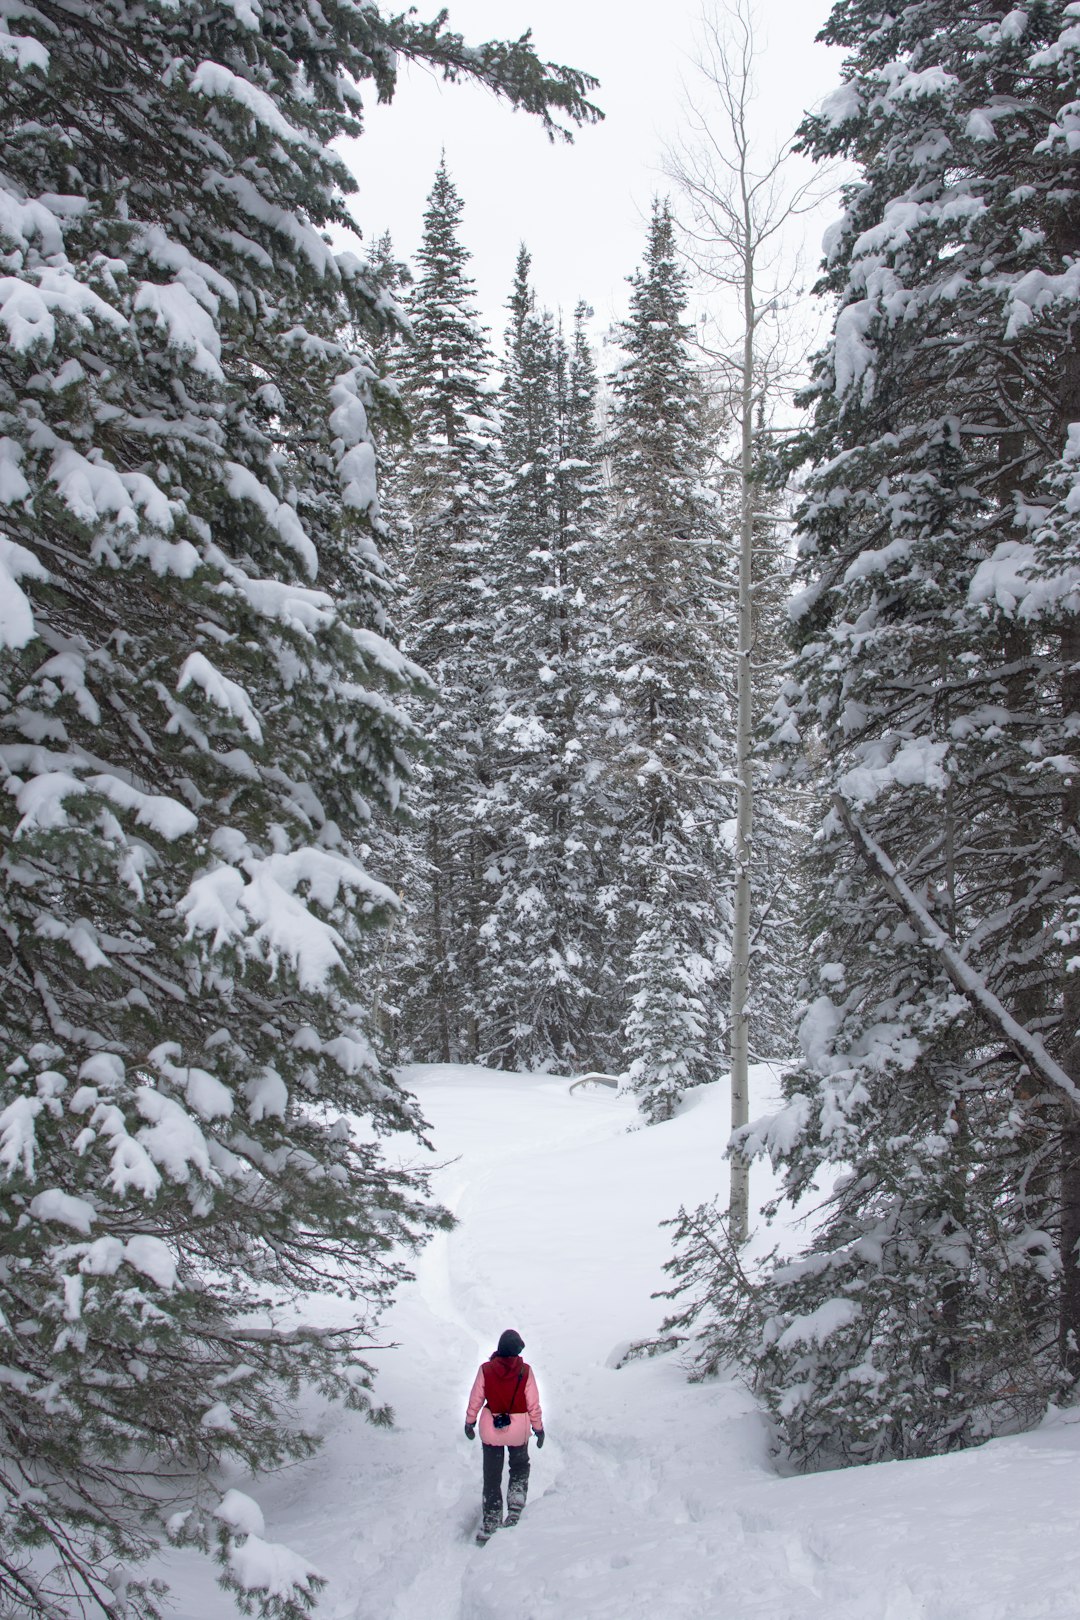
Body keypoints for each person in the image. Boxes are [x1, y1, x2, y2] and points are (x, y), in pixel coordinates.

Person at [464, 1328, 545, 1543]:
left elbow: (476, 1399)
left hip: (492, 1430)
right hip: (518, 1431)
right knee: (519, 1466)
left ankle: (490, 1522)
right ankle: (516, 1504)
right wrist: (538, 1428)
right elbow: (533, 1404)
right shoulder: (525, 1371)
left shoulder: (486, 1369)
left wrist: (469, 1422)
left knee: (492, 1476)